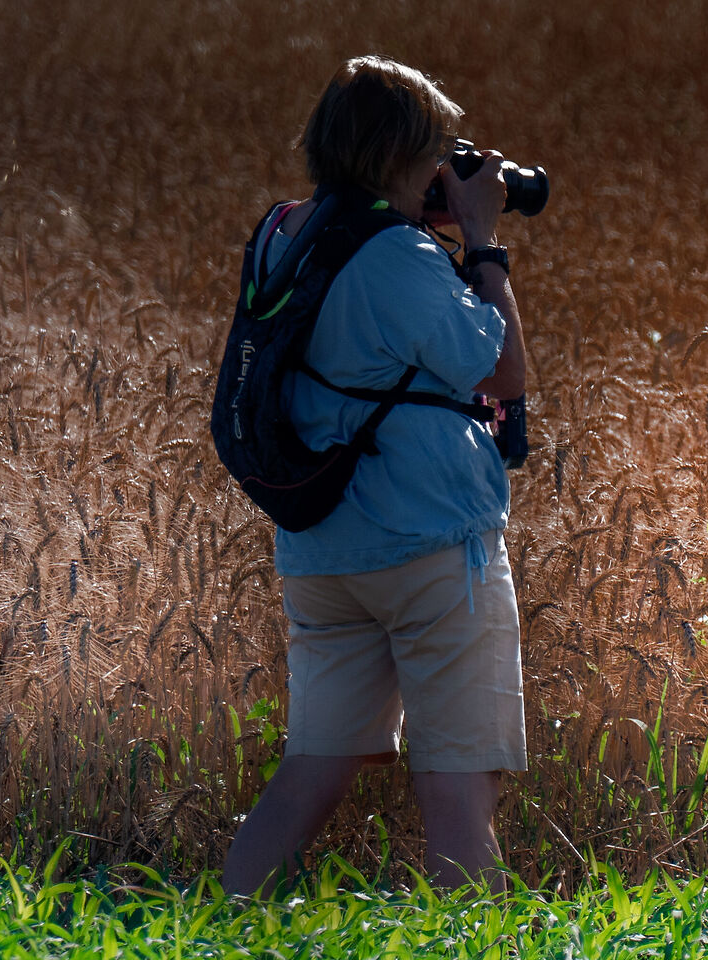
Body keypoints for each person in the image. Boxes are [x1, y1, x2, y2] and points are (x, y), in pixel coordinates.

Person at [220, 56, 530, 894]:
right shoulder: (396, 255)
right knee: (461, 784)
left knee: (311, 773)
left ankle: (213, 932)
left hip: (323, 552)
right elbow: (502, 372)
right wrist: (484, 241)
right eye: (436, 152)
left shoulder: (284, 233)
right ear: (402, 155)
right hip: (429, 549)